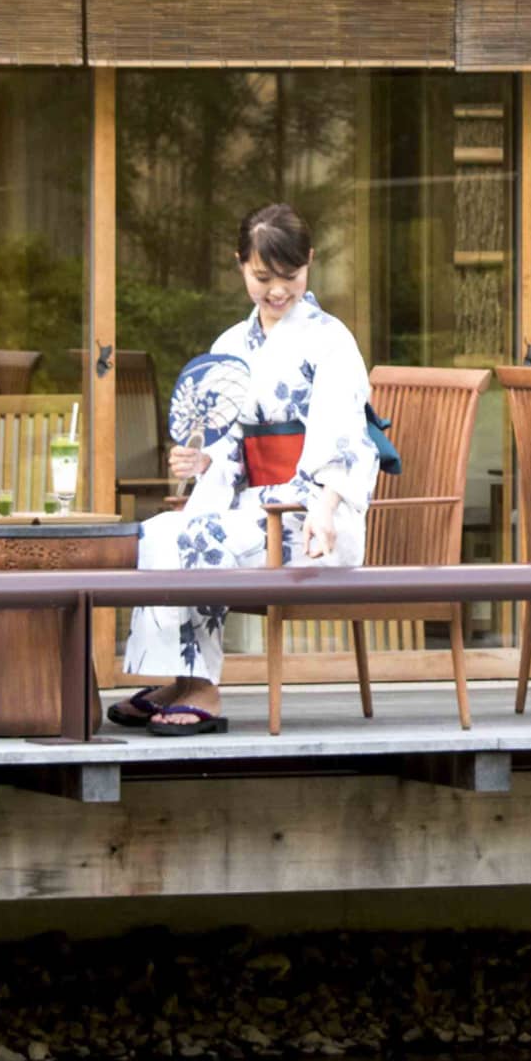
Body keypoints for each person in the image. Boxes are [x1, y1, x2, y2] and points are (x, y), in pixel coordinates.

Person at [112, 202, 378, 738]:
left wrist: (325, 507)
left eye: (290, 276)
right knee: (160, 531)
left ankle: (204, 685)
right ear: (241, 265)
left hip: (312, 518)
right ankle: (181, 676)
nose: (278, 290)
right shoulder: (230, 346)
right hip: (254, 507)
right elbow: (226, 445)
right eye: (262, 277)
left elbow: (346, 441)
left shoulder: (332, 341)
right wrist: (203, 460)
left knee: (204, 535)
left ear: (309, 262)